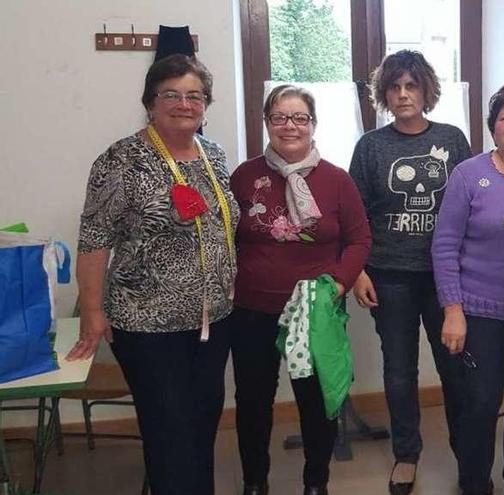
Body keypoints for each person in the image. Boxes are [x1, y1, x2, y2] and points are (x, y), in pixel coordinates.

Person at [68, 54, 239, 495]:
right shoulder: (122, 160)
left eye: (194, 95)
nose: (184, 103)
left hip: (212, 320)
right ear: (150, 101)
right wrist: (91, 311)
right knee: (169, 431)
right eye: (172, 94)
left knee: (202, 423)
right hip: (147, 324)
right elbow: (93, 238)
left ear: (206, 104)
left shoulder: (212, 154)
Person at [229, 84, 371, 495]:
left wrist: (338, 284)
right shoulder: (245, 175)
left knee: (316, 402)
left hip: (315, 310)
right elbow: (228, 237)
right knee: (254, 402)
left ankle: (316, 482)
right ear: (267, 123)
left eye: (299, 118)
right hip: (253, 308)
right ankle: (255, 481)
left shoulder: (337, 180)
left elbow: (360, 240)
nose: (290, 126)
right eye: (279, 117)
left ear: (313, 124)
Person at [348, 50, 472, 495]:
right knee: (399, 370)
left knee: (455, 369)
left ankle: (468, 454)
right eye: (395, 87)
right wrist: (359, 271)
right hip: (389, 275)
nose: (403, 94)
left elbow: (471, 206)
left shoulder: (453, 140)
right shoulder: (371, 147)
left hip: (446, 278)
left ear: (425, 91)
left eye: (411, 86)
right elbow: (355, 216)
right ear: (384, 93)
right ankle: (406, 454)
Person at [432, 83, 504, 495]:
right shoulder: (469, 174)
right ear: (493, 128)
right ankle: (474, 484)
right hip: (480, 314)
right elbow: (445, 245)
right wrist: (453, 309)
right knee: (479, 407)